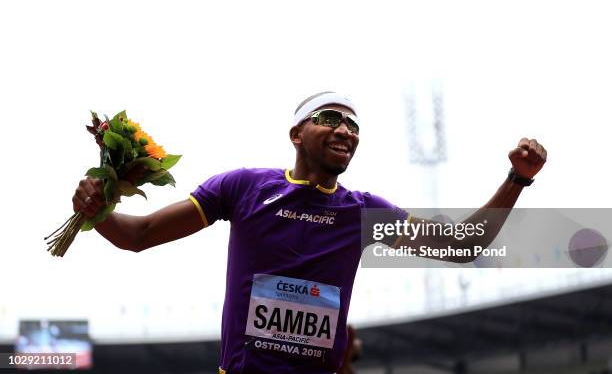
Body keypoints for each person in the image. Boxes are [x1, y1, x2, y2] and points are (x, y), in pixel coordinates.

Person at [72, 91, 547, 373]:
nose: (345, 129)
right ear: (297, 134)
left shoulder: (363, 211)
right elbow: (139, 234)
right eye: (329, 118)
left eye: (353, 124)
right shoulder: (244, 188)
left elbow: (463, 246)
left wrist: (517, 179)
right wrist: (98, 211)